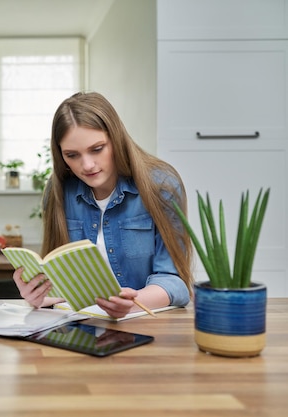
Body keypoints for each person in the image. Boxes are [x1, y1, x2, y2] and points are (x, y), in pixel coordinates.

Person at [12, 92, 193, 318]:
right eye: (72, 155)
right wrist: (35, 295)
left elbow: (175, 282)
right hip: (76, 326)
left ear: (116, 139)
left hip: (144, 325)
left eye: (97, 149)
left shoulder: (161, 185)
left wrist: (132, 303)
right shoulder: (58, 191)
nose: (87, 165)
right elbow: (59, 282)